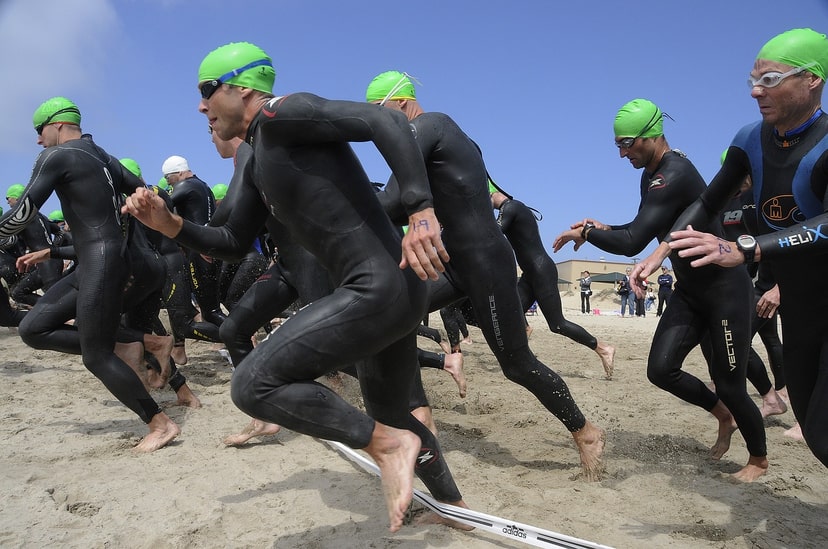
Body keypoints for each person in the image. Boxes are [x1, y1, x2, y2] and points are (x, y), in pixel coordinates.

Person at [123, 42, 464, 532]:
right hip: (388, 291)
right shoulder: (256, 159)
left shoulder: (284, 114)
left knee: (253, 384)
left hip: (378, 286)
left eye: (207, 90)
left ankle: (386, 446)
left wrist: (420, 209)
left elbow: (384, 122)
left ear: (243, 89)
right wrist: (170, 224)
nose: (201, 106)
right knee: (392, 411)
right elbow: (232, 240)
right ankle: (457, 508)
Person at [368, 70, 605, 480]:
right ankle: (423, 423)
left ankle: (585, 431)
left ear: (402, 103)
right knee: (393, 318)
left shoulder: (429, 126)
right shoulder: (441, 135)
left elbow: (390, 201)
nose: (375, 128)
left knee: (516, 364)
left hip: (486, 264)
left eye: (378, 115)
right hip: (454, 261)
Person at [638, 29, 828, 466]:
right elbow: (708, 201)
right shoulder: (749, 139)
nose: (757, 91)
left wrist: (750, 247)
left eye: (772, 79)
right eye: (753, 81)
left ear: (813, 79)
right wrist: (661, 250)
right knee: (816, 435)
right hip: (800, 311)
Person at [554, 98, 767, 481]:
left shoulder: (675, 173)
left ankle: (758, 459)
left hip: (725, 291)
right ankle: (723, 414)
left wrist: (589, 233)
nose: (622, 153)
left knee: (731, 384)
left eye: (627, 143)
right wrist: (601, 227)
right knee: (661, 369)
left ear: (652, 136)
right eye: (617, 145)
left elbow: (633, 242)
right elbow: (641, 226)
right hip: (691, 291)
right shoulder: (651, 175)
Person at [0, 96, 179, 452]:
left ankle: (160, 424)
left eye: (39, 131)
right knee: (32, 329)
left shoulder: (55, 156)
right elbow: (149, 190)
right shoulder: (102, 155)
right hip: (94, 261)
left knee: (95, 356)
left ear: (56, 124)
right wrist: (136, 202)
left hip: (101, 262)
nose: (38, 140)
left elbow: (23, 213)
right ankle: (130, 341)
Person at [491, 188, 615, 378]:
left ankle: (603, 348)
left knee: (557, 324)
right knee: (510, 312)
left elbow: (494, 234)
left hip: (541, 271)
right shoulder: (515, 208)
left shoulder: (511, 207)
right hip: (530, 273)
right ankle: (522, 348)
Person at [161, 154, 226, 328]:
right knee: (213, 308)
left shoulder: (186, 185)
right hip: (210, 246)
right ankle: (240, 342)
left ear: (180, 173)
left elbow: (163, 203)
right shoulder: (203, 186)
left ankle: (244, 341)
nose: (168, 182)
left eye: (168, 177)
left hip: (199, 251)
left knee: (211, 312)